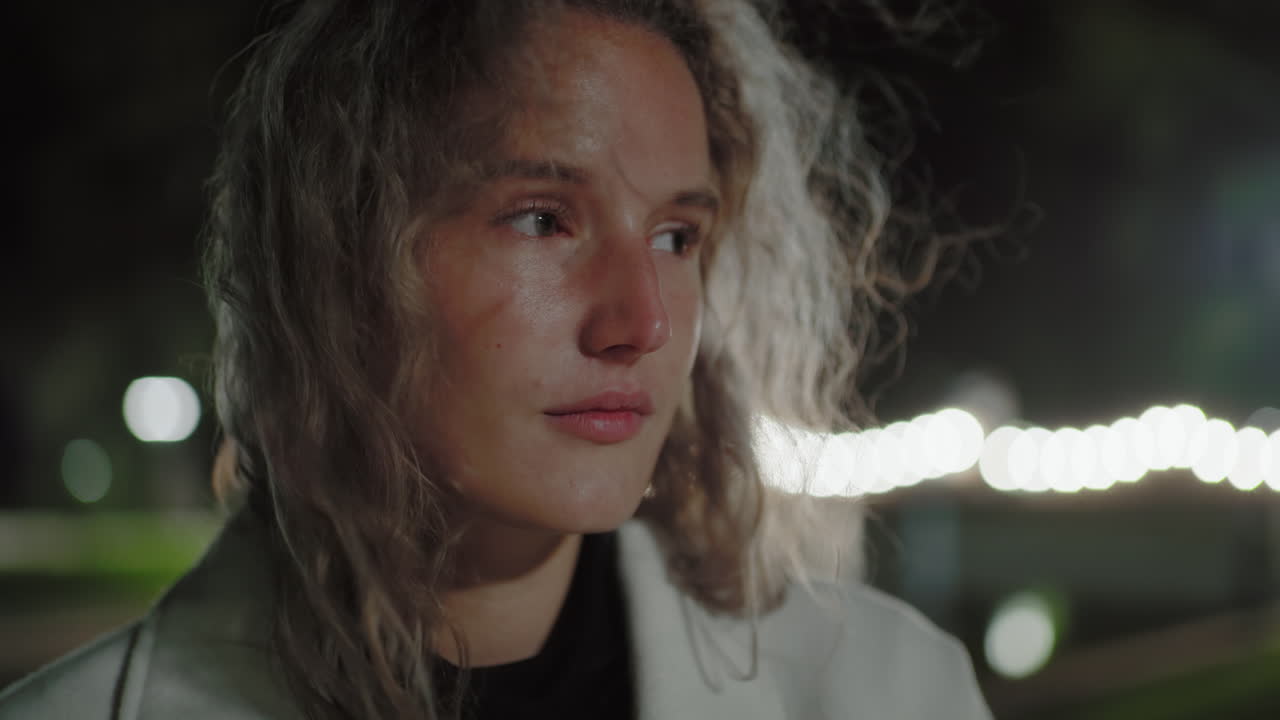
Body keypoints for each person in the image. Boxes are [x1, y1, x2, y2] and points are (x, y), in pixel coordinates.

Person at [0, 0, 993, 718]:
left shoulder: (886, 692)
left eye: (675, 238)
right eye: (540, 219)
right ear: (336, 257)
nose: (640, 323)